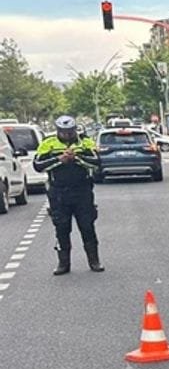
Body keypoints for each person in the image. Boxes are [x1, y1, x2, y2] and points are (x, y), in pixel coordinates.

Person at [33, 116, 103, 275]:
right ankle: (63, 263)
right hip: (59, 193)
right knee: (61, 228)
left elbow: (97, 162)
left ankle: (94, 260)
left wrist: (77, 158)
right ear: (58, 131)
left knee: (87, 226)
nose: (67, 135)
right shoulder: (48, 143)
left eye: (70, 132)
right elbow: (38, 165)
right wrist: (59, 159)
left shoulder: (85, 142)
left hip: (82, 191)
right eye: (63, 132)